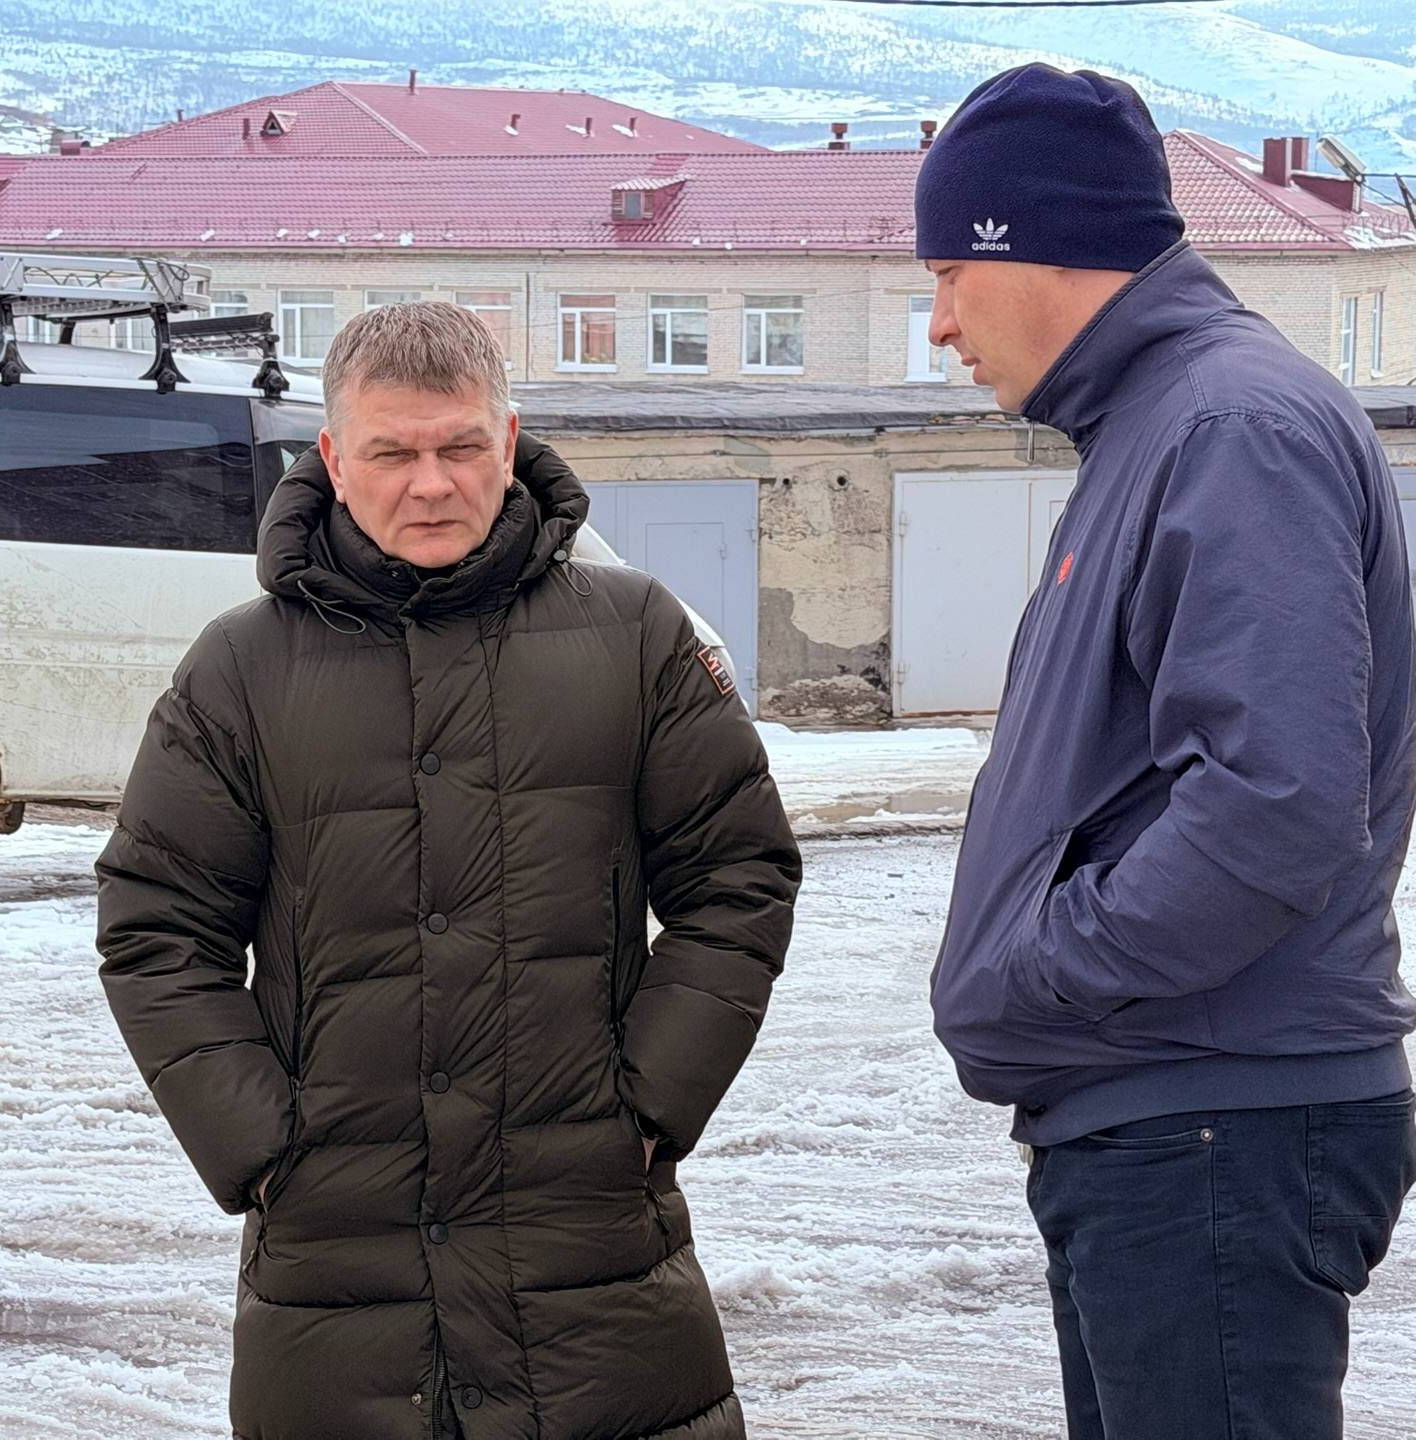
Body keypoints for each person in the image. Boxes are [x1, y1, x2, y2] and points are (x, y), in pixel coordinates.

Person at [96, 300, 800, 1439]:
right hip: (338, 1256)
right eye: (393, 452)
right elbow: (156, 927)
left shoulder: (634, 636)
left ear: (508, 438)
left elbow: (738, 877)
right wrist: (263, 1147)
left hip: (592, 1243)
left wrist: (649, 1106)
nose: (432, 483)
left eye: (461, 447)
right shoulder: (243, 668)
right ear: (333, 458)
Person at [923, 64, 1416, 1439]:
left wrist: (1042, 970)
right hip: (1172, 1117)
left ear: (1044, 247)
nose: (940, 320)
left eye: (955, 269)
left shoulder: (1228, 430)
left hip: (1215, 1120)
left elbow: (1273, 804)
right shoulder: (1156, 426)